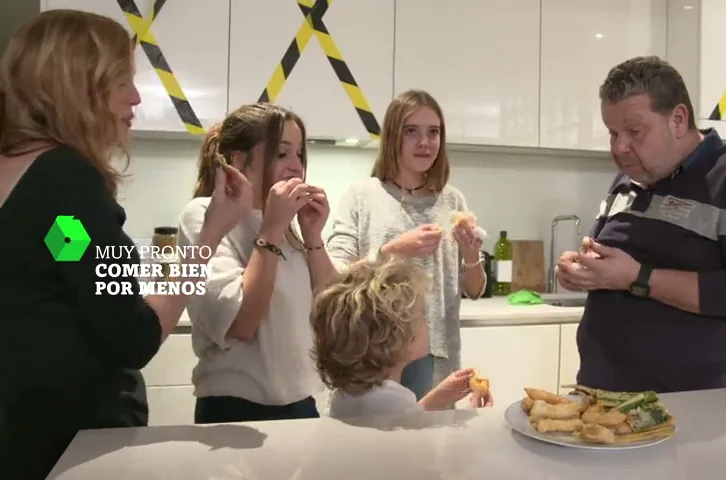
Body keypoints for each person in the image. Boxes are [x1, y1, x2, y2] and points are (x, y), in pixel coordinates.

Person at [0, 10, 251, 479]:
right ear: (77, 85)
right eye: (122, 81)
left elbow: (68, 254)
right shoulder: (65, 182)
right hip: (73, 451)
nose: (135, 97)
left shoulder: (28, 185)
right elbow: (132, 335)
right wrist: (210, 235)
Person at [555, 56, 726, 394]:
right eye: (613, 133)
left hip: (685, 407)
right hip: (598, 391)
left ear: (678, 119)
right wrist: (584, 270)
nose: (619, 147)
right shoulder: (628, 177)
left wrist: (638, 278)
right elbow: (612, 266)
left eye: (634, 131)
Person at [178, 103, 337, 424]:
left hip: (302, 404)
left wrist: (313, 237)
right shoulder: (203, 215)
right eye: (282, 154)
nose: (296, 167)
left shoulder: (286, 226)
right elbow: (240, 324)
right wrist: (272, 229)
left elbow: (332, 312)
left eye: (300, 155)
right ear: (238, 161)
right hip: (234, 410)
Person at [325, 90, 487, 400]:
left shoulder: (452, 200)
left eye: (433, 132)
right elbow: (336, 276)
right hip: (377, 352)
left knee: (431, 443)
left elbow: (475, 289)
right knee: (379, 441)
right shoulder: (363, 195)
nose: (424, 142)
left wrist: (470, 254)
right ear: (392, 139)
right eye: (411, 131)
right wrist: (393, 251)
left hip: (438, 350)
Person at [311, 257, 492, 418]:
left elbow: (402, 419)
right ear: (401, 341)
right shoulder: (394, 400)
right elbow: (416, 437)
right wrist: (471, 413)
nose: (427, 322)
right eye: (421, 316)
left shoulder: (347, 395)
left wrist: (439, 396)